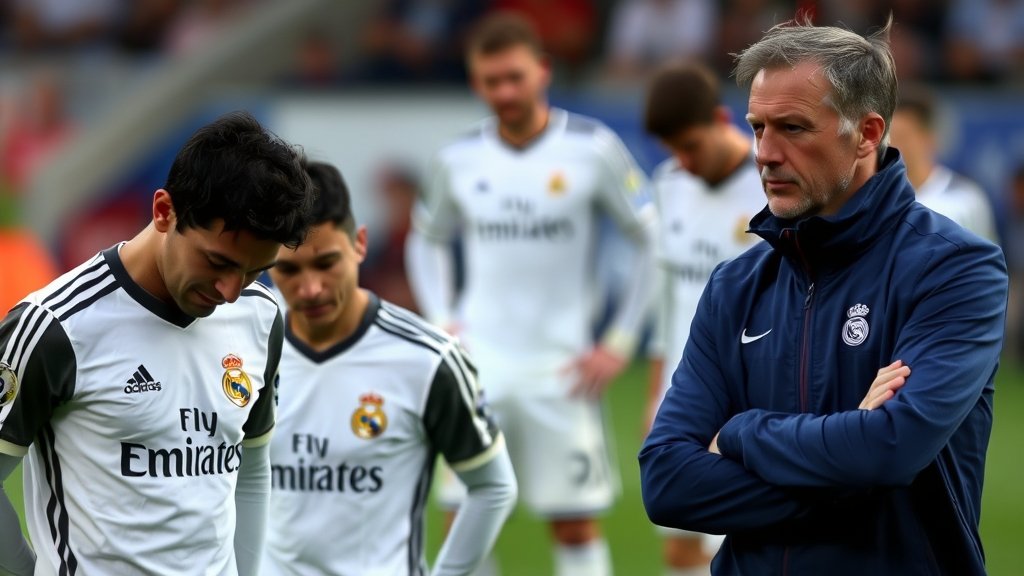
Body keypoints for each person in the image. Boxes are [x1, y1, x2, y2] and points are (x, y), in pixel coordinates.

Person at [639, 17, 1008, 575]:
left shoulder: (954, 269)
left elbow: (890, 449)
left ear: (865, 132)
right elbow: (666, 484)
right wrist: (847, 463)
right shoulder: (734, 285)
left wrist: (739, 432)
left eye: (792, 127)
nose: (764, 153)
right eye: (758, 127)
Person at [0, 110, 316, 575]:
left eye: (253, 271)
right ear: (165, 211)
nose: (232, 291)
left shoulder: (260, 314)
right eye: (217, 262)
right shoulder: (55, 327)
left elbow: (251, 467)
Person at [406, 12, 656, 576]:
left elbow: (650, 238)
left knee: (574, 522)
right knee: (464, 517)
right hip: (477, 367)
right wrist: (443, 318)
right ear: (476, 83)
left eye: (514, 77)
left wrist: (619, 339)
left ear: (542, 71)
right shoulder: (458, 159)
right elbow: (427, 239)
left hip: (561, 368)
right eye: (491, 81)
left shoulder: (591, 148)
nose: (504, 92)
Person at [262, 160, 517, 575]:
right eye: (288, 269)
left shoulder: (428, 358)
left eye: (326, 263)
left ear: (359, 244)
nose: (310, 288)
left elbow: (492, 486)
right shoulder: (241, 347)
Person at [641, 60, 765, 576]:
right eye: (672, 150)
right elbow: (669, 291)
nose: (683, 162)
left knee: (744, 548)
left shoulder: (770, 182)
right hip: (682, 391)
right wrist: (656, 388)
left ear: (720, 118)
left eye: (690, 146)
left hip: (747, 395)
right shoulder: (668, 182)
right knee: (680, 547)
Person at [889, 84, 999, 242]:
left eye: (903, 137)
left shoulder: (966, 200)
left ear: (929, 138)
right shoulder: (875, 200)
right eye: (888, 137)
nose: (893, 145)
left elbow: (988, 262)